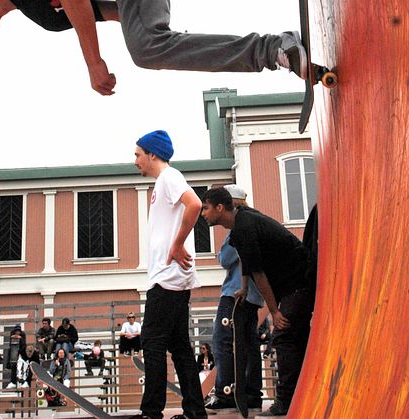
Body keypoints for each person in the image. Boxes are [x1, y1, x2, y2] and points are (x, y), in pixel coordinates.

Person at [0, 0, 308, 96]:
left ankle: (273, 48)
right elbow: (111, 11)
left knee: (146, 49)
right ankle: (277, 50)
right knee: (149, 47)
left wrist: (94, 63)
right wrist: (174, 45)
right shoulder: (39, 15)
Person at [200, 186, 316, 417]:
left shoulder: (243, 227)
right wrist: (243, 288)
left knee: (283, 337)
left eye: (205, 208)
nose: (202, 214)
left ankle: (285, 402)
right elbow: (246, 260)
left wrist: (274, 311)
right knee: (296, 338)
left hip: (299, 281)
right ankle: (300, 395)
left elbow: (259, 273)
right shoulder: (241, 221)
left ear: (220, 208)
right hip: (293, 283)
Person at [131, 130, 207, 419]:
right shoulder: (162, 183)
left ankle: (151, 412)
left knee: (152, 341)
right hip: (171, 276)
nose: (135, 160)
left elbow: (195, 204)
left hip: (168, 277)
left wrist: (176, 245)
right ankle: (195, 412)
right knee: (179, 346)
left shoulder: (169, 177)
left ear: (152, 154)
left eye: (138, 154)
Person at [204, 184, 265, 412]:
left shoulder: (237, 228)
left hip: (235, 292)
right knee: (249, 343)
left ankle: (225, 393)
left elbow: (225, 258)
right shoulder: (255, 221)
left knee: (223, 342)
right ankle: (251, 393)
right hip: (254, 295)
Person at [5, 324, 28, 389]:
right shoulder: (12, 334)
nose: (17, 332)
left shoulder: (23, 334)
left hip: (21, 350)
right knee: (13, 365)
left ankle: (23, 381)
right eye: (16, 331)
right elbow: (10, 344)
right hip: (14, 351)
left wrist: (20, 338)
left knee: (22, 366)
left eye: (19, 331)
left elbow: (24, 345)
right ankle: (8, 366)